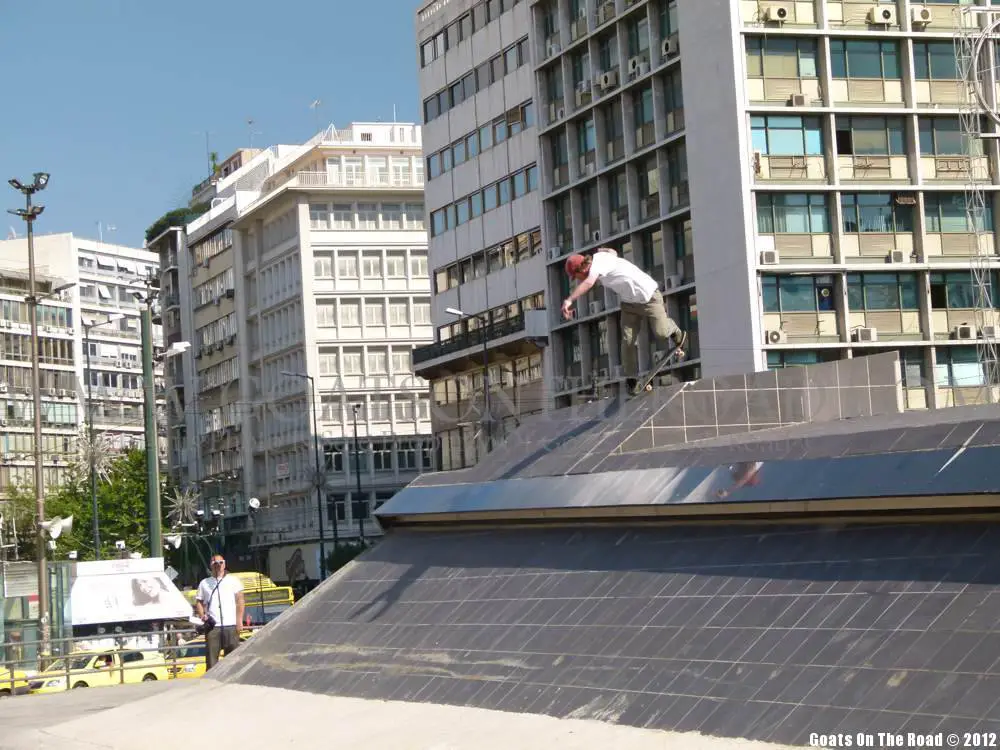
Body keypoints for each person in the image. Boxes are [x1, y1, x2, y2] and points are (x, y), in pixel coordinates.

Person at [563, 248, 687, 395]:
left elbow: (589, 283)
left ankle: (672, 328)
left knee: (661, 333)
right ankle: (631, 379)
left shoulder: (597, 264)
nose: (578, 280)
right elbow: (613, 253)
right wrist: (608, 249)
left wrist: (569, 300)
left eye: (576, 277)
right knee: (627, 341)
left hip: (649, 297)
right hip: (629, 304)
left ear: (581, 269)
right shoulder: (602, 258)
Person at [194, 554, 245, 670]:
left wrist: (239, 621)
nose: (218, 565)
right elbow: (199, 602)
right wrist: (203, 616)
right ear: (211, 565)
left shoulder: (233, 580)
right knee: (212, 660)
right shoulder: (204, 583)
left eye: (221, 562)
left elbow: (240, 600)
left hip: (231, 625)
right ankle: (212, 684)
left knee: (233, 660)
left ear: (224, 564)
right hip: (213, 627)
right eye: (215, 563)